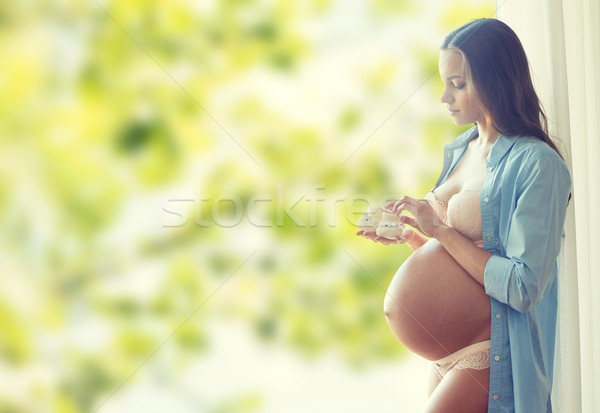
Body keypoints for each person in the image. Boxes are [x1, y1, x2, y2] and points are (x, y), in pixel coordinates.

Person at [358, 18, 571, 413]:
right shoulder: (462, 149)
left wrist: (439, 230)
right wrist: (414, 238)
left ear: (496, 81)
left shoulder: (537, 164)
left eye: (457, 84)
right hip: (445, 356)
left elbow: (524, 286)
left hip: (490, 349)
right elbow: (464, 257)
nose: (445, 97)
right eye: (445, 83)